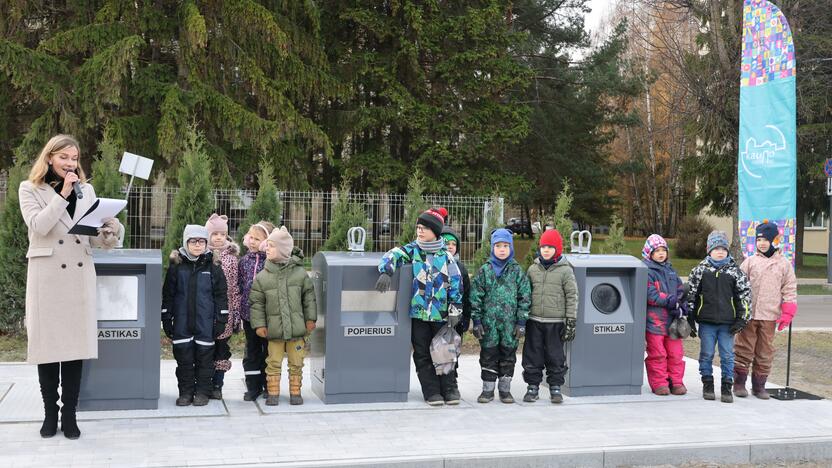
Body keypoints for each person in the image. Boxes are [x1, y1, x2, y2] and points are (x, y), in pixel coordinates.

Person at [19, 134, 123, 439]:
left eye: (75, 158)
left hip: (78, 275)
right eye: (64, 157)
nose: (70, 163)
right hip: (47, 277)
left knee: (75, 349)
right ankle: (50, 413)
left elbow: (93, 239)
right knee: (49, 349)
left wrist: (110, 230)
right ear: (49, 157)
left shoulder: (86, 190)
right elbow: (38, 226)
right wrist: (62, 195)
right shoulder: (30, 189)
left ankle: (70, 414)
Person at [376, 209, 463, 406]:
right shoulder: (412, 250)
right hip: (419, 314)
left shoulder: (446, 257)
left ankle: (449, 389)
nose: (420, 231)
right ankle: (431, 391)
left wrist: (455, 308)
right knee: (422, 352)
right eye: (418, 227)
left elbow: (456, 282)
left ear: (435, 231)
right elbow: (393, 254)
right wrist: (386, 272)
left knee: (445, 352)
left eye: (424, 228)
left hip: (441, 315)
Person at [162, 225, 229, 407]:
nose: (198, 245)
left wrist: (221, 319)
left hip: (205, 324)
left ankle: (202, 392)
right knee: (184, 361)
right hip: (182, 323)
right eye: (193, 241)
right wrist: (166, 318)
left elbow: (221, 295)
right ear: (186, 242)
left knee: (205, 361)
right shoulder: (176, 267)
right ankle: (186, 392)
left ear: (206, 244)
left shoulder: (213, 266)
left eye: (201, 241)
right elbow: (168, 294)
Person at [249, 227, 317, 405]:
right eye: (267, 246)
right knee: (273, 362)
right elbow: (256, 303)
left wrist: (311, 319)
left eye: (271, 246)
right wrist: (259, 325)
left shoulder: (300, 274)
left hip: (296, 330)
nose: (267, 249)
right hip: (274, 331)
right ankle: (273, 393)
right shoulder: (262, 277)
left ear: (284, 250)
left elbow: (309, 297)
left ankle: (295, 392)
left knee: (297, 362)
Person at [686, 231, 752, 403]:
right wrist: (690, 317)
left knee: (728, 355)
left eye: (723, 248)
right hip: (707, 323)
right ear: (709, 250)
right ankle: (707, 383)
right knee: (706, 354)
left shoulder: (735, 272)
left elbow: (744, 296)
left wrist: (741, 319)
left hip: (727, 324)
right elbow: (691, 295)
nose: (720, 251)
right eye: (716, 248)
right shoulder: (699, 271)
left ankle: (726, 386)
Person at [735, 221, 797, 399]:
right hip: (749, 314)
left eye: (765, 240)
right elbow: (738, 285)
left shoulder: (783, 264)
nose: (761, 243)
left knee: (765, 351)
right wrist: (738, 308)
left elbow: (789, 288)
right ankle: (739, 383)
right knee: (743, 348)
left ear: (774, 240)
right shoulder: (750, 262)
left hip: (770, 315)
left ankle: (759, 386)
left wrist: (788, 311)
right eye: (759, 239)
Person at [470, 228, 531, 404]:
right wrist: (477, 320)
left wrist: (521, 321)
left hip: (509, 325)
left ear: (510, 248)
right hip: (489, 326)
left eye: (505, 245)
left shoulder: (517, 271)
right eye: (498, 246)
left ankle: (505, 390)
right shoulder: (485, 271)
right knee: (488, 355)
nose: (502, 249)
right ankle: (487, 390)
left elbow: (525, 297)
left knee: (508, 356)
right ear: (492, 248)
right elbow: (475, 297)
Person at [522, 229, 577, 404]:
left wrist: (571, 320)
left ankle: (555, 387)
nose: (546, 250)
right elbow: (524, 294)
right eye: (543, 246)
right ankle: (532, 386)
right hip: (535, 320)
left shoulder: (565, 271)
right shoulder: (532, 269)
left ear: (557, 249)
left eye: (550, 247)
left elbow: (572, 295)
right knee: (533, 354)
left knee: (555, 356)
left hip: (555, 322)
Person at [641, 234, 687, 396]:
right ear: (649, 253)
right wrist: (669, 300)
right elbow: (651, 294)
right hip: (655, 322)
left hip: (673, 322)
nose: (661, 254)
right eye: (657, 251)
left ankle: (676, 381)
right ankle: (659, 383)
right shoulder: (647, 271)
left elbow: (680, 291)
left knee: (676, 354)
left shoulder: (671, 271)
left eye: (663, 250)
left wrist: (682, 305)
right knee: (658, 354)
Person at [205, 213, 241, 399]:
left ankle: (217, 385)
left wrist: (235, 315)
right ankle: (204, 383)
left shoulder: (231, 259)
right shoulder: (202, 256)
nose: (218, 237)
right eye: (214, 234)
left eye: (222, 234)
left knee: (221, 349)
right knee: (205, 350)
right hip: (204, 313)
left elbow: (235, 289)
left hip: (224, 314)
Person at [237, 221, 275, 401]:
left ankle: (269, 386)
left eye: (257, 238)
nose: (252, 241)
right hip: (248, 315)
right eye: (250, 237)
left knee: (268, 352)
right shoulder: (243, 261)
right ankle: (253, 387)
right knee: (251, 351)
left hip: (268, 317)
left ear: (267, 242)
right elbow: (239, 286)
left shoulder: (272, 262)